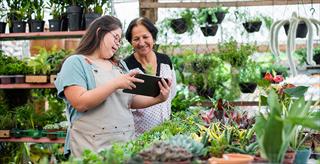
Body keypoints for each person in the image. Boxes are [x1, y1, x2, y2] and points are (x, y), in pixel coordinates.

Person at [54, 15, 171, 157]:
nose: (117, 44)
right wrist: (116, 83)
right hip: (91, 148)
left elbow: (129, 101)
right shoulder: (76, 63)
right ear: (99, 32)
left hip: (125, 146)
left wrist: (159, 98)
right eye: (115, 37)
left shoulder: (119, 66)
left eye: (120, 40)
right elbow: (80, 102)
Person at [124, 17, 177, 136]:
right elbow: (126, 102)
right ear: (131, 42)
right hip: (139, 136)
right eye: (136, 39)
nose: (141, 43)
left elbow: (172, 92)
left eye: (145, 37)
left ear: (153, 37)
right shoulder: (127, 67)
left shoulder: (165, 61)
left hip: (166, 131)